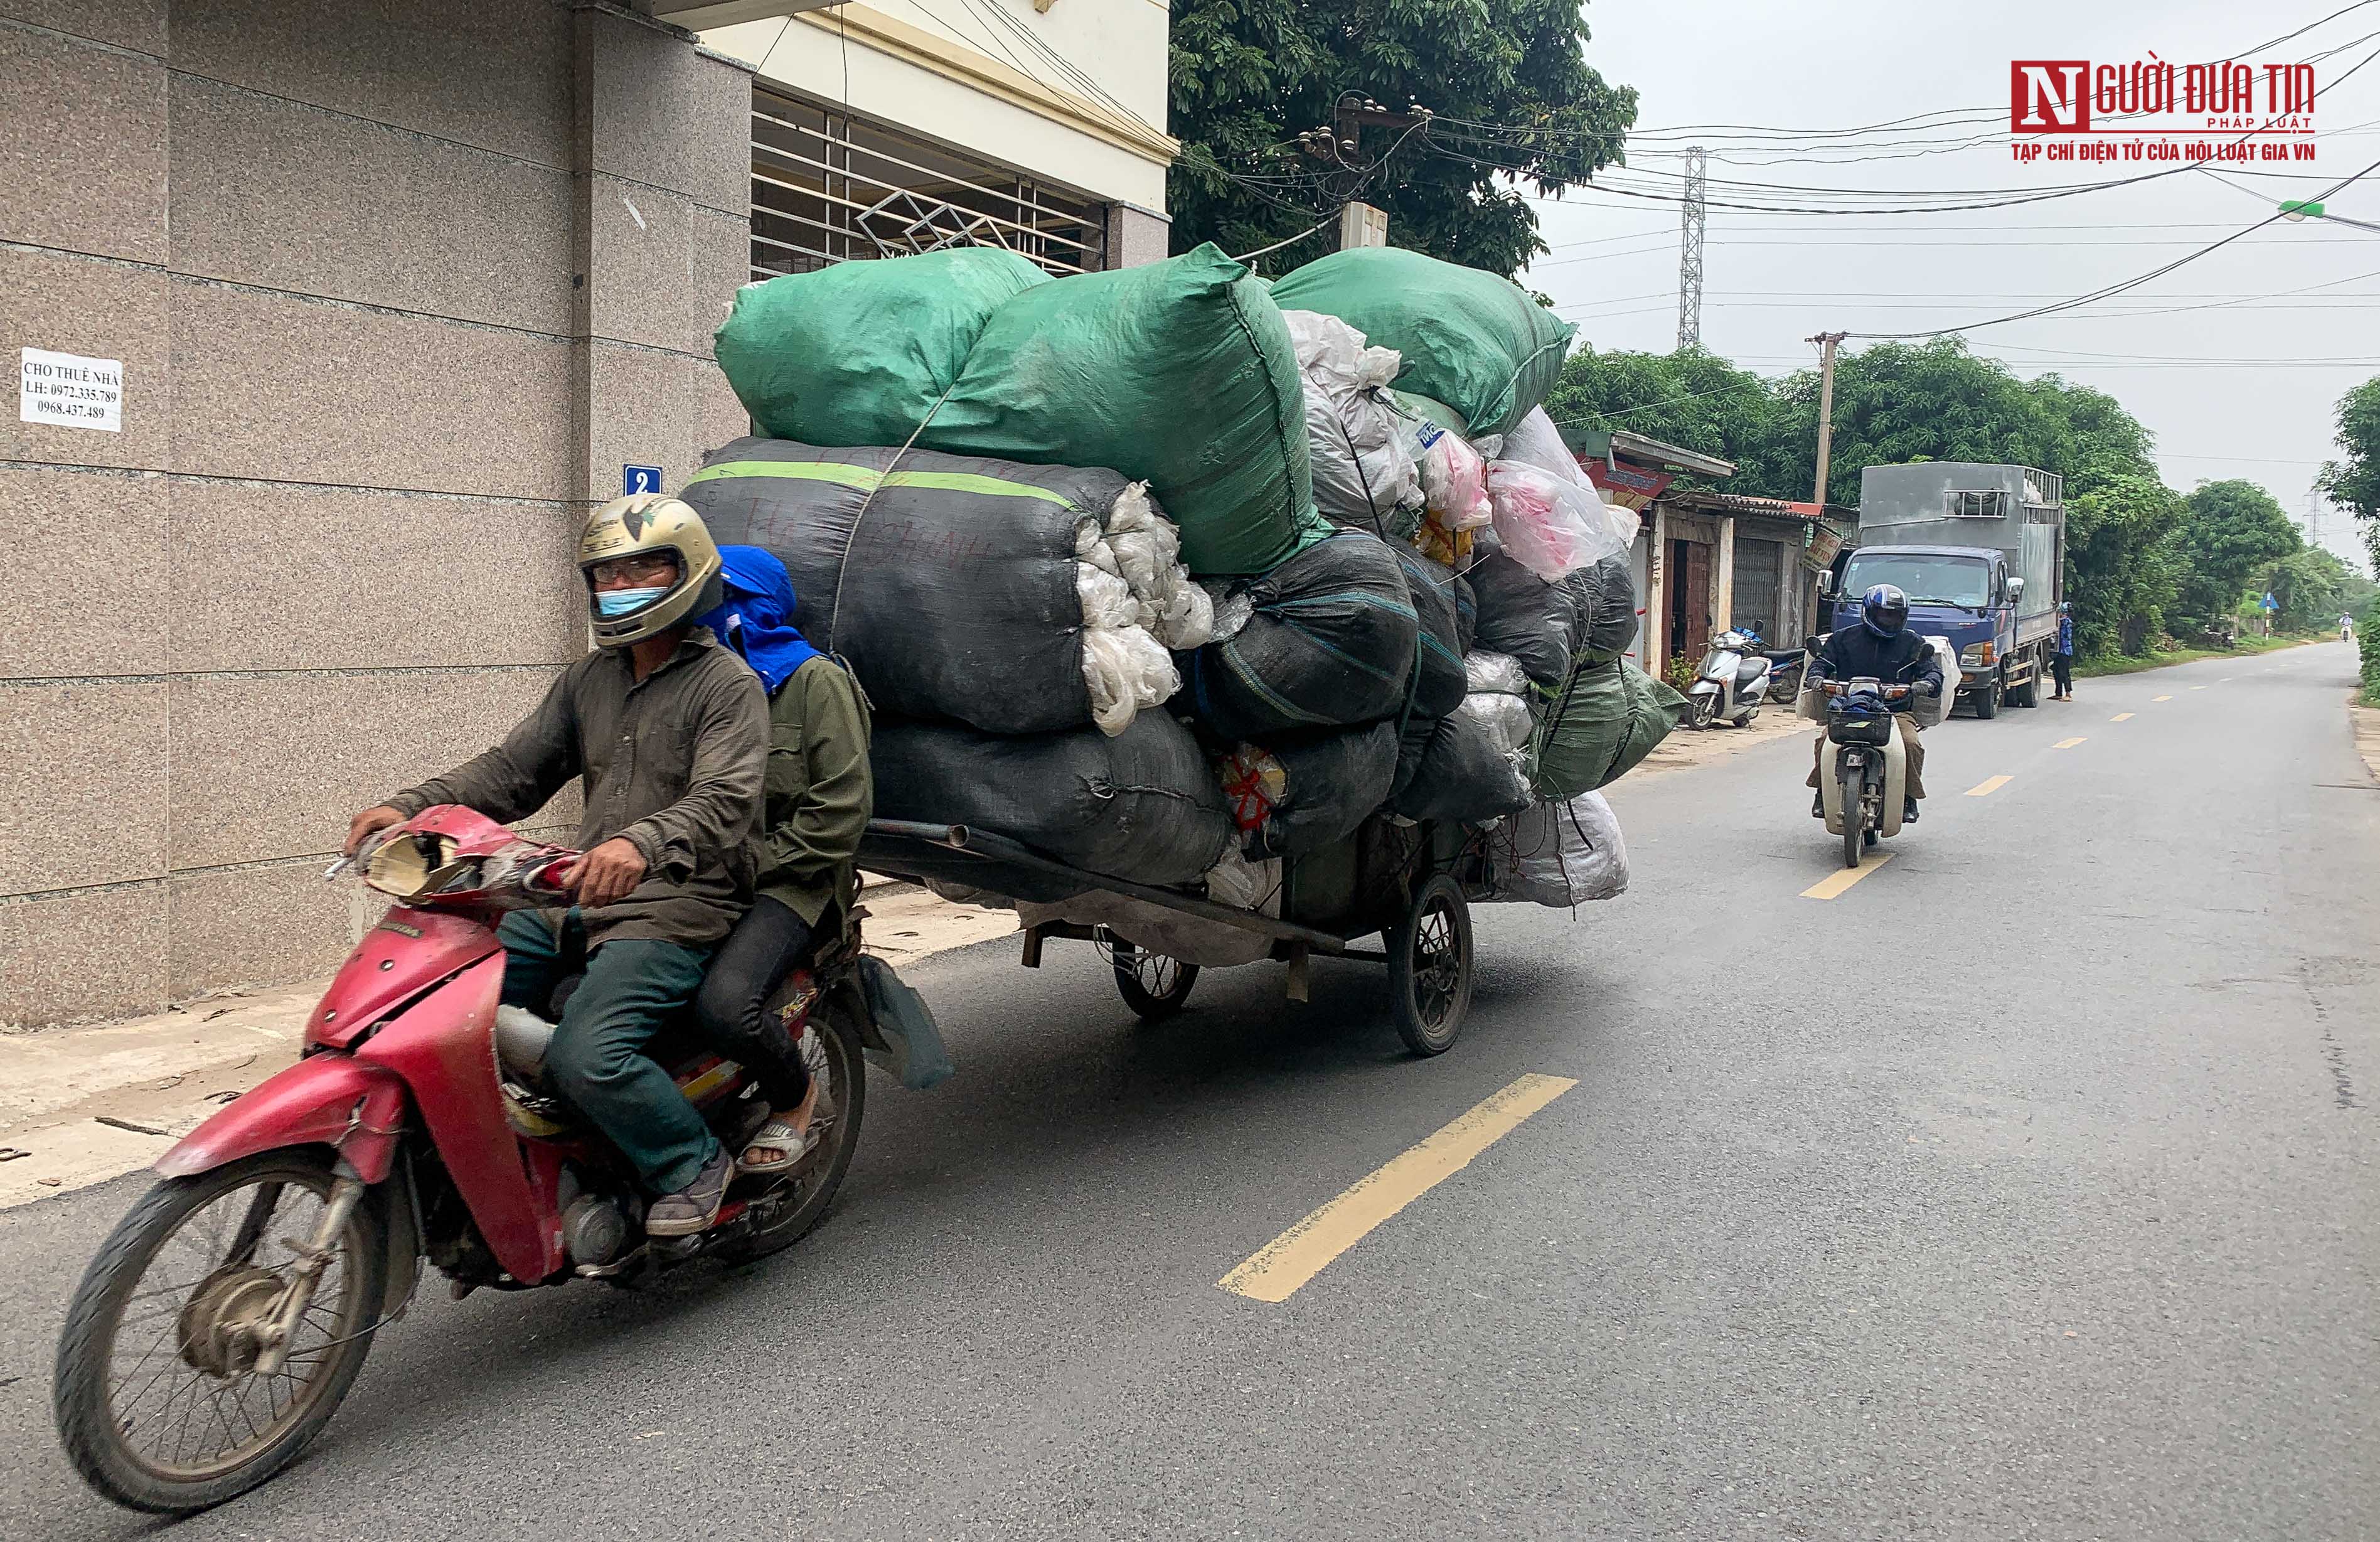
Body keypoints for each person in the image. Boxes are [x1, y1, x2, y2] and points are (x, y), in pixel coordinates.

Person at [344, 495, 768, 1238]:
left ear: (691, 572)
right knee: (439, 1000)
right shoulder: (588, 682)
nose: (624, 585)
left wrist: (641, 844)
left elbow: (725, 799)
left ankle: (690, 1160)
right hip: (573, 893)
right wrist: (407, 807)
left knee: (586, 1056)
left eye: (645, 568)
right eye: (608, 574)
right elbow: (512, 773)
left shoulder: (725, 685)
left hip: (677, 904)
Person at [689, 547, 873, 1175]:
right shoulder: (699, 688)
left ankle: (795, 1099)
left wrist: (754, 865)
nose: (716, 617)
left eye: (730, 601)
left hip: (796, 885)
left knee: (726, 1003)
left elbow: (841, 812)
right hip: (707, 878)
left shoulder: (815, 683)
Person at [1806, 584, 1943, 824]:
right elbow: (1821, 663)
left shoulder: (1913, 643)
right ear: (1869, 611)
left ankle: (1909, 797)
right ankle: (1821, 792)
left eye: (1895, 615)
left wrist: (1927, 684)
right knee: (1823, 742)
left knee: (1911, 743)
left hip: (1895, 712)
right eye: (1884, 614)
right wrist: (1816, 676)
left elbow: (1932, 673)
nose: (1889, 620)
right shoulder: (1843, 639)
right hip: (1849, 708)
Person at [2052, 601, 2076, 700]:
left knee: (2064, 672)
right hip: (2059, 651)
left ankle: (2068, 694)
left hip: (2064, 651)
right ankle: (2058, 693)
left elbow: (2063, 635)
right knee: (2056, 671)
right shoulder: (2062, 621)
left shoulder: (2066, 622)